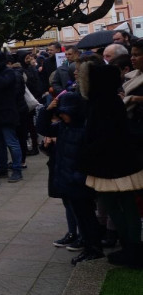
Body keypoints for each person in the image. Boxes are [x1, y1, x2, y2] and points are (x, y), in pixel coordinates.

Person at [84, 61, 143, 268]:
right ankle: (133, 248)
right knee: (125, 206)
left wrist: (85, 151)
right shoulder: (110, 100)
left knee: (118, 206)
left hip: (109, 164)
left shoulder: (101, 102)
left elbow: (103, 135)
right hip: (120, 161)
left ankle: (133, 249)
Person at [37, 90, 104, 265]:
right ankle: (89, 246)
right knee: (81, 217)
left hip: (78, 181)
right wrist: (47, 110)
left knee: (86, 217)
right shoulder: (64, 127)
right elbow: (43, 128)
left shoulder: (84, 129)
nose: (63, 115)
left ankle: (93, 248)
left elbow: (90, 157)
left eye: (66, 112)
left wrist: (77, 177)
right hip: (67, 179)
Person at [0, 50, 24, 183]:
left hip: (7, 112)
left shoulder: (9, 73)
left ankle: (17, 169)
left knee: (11, 142)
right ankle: (2, 167)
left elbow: (1, 84)